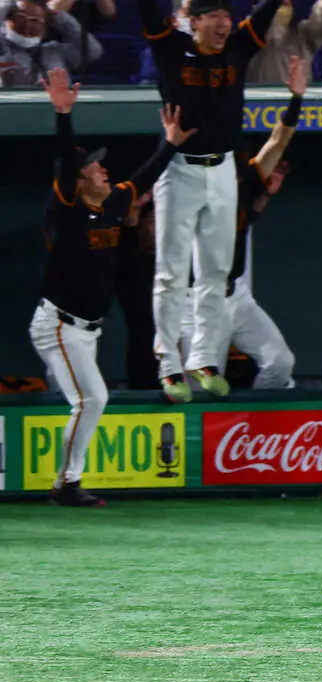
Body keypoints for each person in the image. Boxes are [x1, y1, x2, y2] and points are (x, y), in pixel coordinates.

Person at [30, 69, 193, 507]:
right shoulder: (65, 207)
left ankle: (67, 481)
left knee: (85, 399)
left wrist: (172, 143)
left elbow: (143, 176)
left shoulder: (113, 202)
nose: (102, 169)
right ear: (77, 180)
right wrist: (63, 115)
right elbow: (66, 158)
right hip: (59, 325)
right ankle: (66, 485)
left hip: (86, 329)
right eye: (93, 167)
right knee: (92, 398)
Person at [138, 0, 283, 403]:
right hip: (179, 167)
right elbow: (148, 14)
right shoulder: (171, 47)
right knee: (170, 273)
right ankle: (169, 365)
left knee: (216, 271)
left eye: (226, 16)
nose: (224, 24)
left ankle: (202, 359)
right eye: (214, 17)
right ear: (195, 21)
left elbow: (264, 15)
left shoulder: (237, 47)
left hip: (222, 170)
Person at [180, 54, 307, 389]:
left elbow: (279, 140)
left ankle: (255, 433)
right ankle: (202, 441)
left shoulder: (245, 179)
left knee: (280, 365)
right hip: (200, 301)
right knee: (200, 386)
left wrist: (296, 99)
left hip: (236, 295)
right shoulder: (194, 183)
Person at [114, 191, 160, 389]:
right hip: (144, 357)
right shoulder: (127, 256)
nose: (155, 228)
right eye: (150, 221)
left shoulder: (168, 257)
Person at [0, 0, 102, 86]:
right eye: (20, 18)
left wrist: (61, 18)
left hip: (57, 107)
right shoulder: (3, 48)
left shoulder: (55, 51)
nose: (27, 26)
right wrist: (6, 4)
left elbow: (92, 51)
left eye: (35, 21)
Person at [247, 0, 322, 83]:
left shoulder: (302, 32)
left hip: (301, 99)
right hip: (261, 99)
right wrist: (274, 16)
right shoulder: (251, 29)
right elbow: (273, 36)